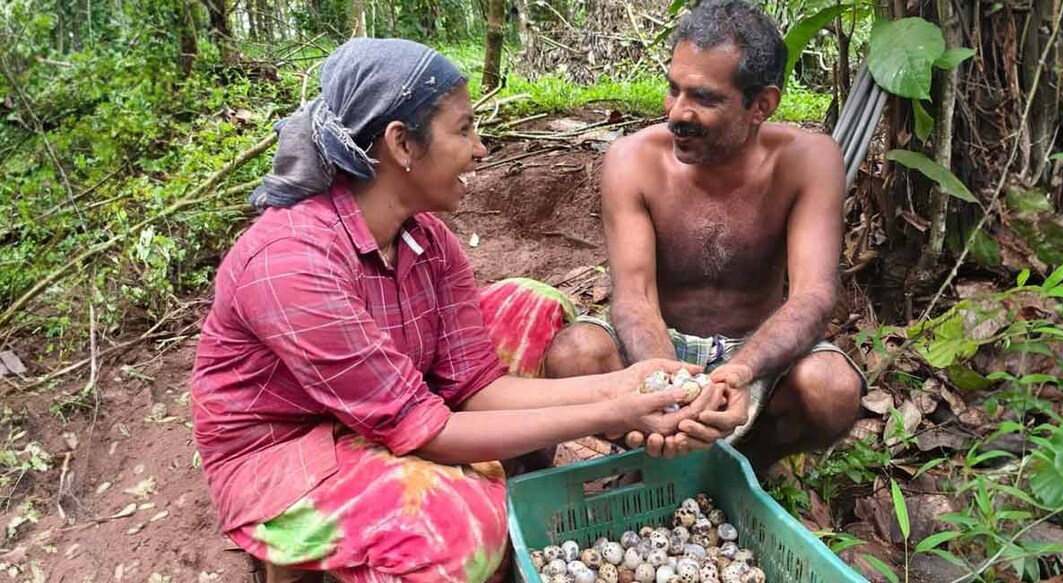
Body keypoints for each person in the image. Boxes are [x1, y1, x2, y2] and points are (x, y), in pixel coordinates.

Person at [191, 38, 709, 583]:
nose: (480, 148)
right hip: (284, 452)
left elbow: (478, 388)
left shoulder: (428, 241)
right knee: (458, 531)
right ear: (402, 145)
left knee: (531, 305)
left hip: (383, 410)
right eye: (463, 130)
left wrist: (626, 385)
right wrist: (612, 413)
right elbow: (423, 428)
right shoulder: (293, 262)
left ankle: (497, 494)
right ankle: (302, 554)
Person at [543, 0, 865, 471]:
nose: (677, 113)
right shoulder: (633, 160)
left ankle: (744, 463)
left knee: (832, 389)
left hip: (753, 349)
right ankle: (656, 451)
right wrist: (667, 385)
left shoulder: (808, 160)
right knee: (575, 354)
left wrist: (742, 372)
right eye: (673, 89)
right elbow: (635, 295)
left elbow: (812, 294)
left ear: (762, 105)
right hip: (660, 345)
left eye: (705, 98)